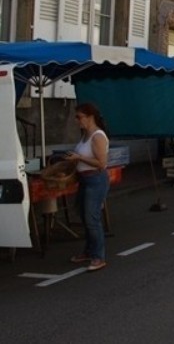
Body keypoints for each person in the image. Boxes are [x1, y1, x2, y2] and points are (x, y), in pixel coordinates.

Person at [64, 103, 110, 272]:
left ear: (90, 117)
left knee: (92, 219)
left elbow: (101, 163)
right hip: (84, 179)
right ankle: (89, 251)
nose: (77, 121)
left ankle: (99, 256)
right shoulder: (85, 135)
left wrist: (79, 157)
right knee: (84, 216)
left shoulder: (97, 136)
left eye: (79, 117)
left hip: (95, 180)